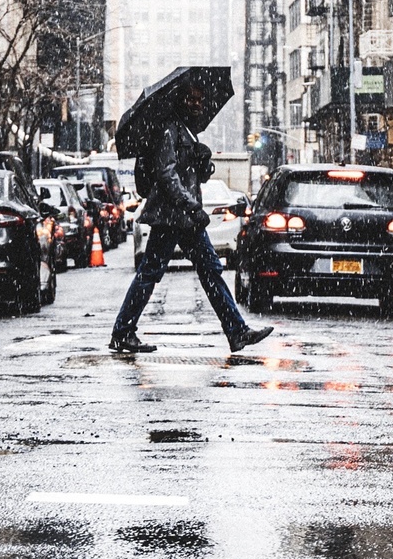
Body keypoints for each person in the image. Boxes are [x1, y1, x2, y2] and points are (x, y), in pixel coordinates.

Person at [108, 81, 273, 355]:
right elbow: (166, 174)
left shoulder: (186, 132)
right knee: (151, 273)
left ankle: (237, 331)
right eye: (191, 99)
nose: (197, 104)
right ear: (180, 101)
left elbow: (187, 174)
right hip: (171, 216)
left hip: (184, 218)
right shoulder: (168, 130)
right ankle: (123, 332)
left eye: (200, 99)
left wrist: (203, 165)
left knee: (210, 270)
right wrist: (191, 205)